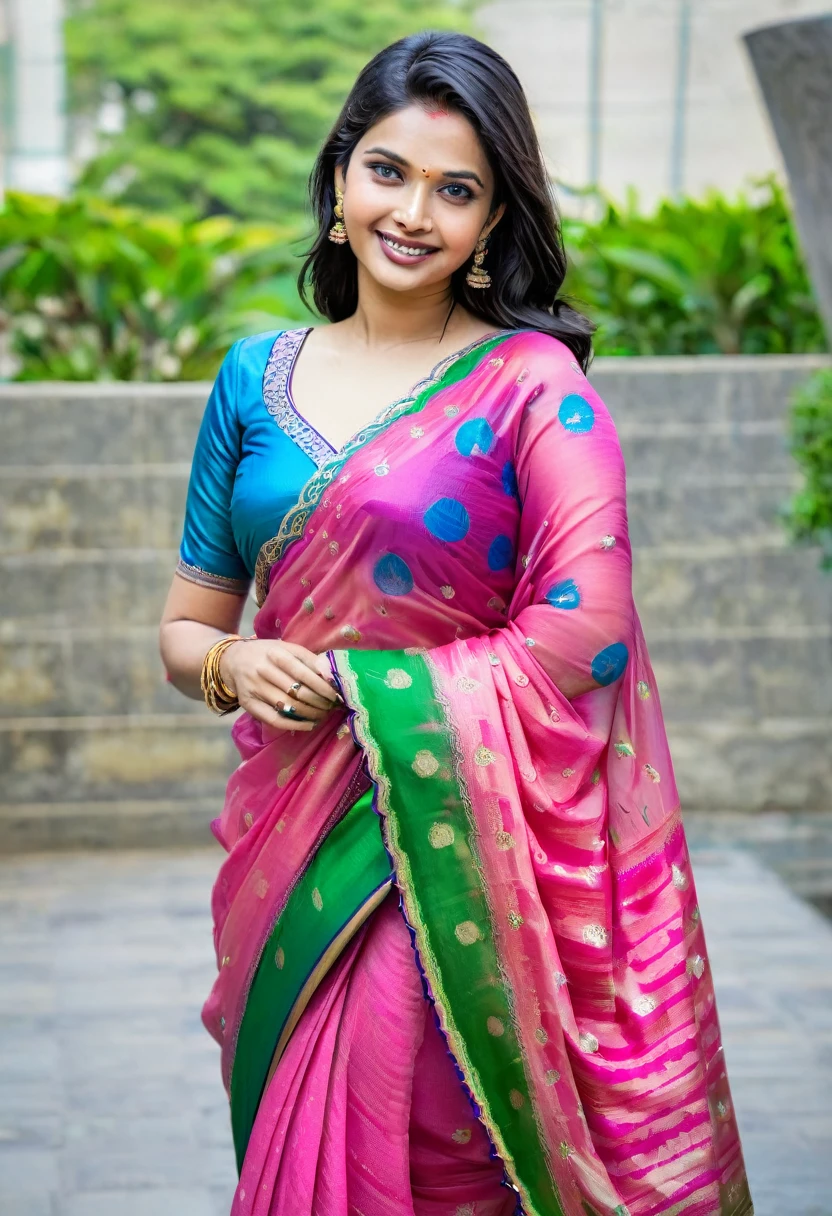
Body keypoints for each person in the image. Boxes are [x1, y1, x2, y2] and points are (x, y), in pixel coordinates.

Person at [159, 30, 752, 1216]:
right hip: (296, 841)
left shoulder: (532, 384)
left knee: (419, 1133)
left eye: (457, 189)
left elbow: (588, 634)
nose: (414, 212)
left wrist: (363, 692)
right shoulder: (250, 378)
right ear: (338, 179)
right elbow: (185, 627)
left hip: (449, 848)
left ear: (491, 222)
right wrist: (233, 661)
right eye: (388, 171)